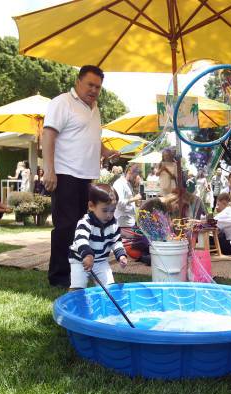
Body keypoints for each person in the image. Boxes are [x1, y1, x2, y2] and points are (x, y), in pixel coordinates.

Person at [42, 65, 119, 288]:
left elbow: (92, 138)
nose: (94, 90)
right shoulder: (62, 102)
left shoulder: (95, 109)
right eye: (90, 85)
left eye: (98, 87)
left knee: (83, 227)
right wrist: (49, 169)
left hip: (88, 177)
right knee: (65, 226)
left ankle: (80, 272)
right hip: (65, 173)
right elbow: (48, 135)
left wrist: (106, 152)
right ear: (78, 82)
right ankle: (59, 277)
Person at [68, 184, 128, 290]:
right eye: (105, 210)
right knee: (78, 288)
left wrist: (121, 255)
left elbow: (116, 241)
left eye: (113, 210)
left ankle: (106, 304)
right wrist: (87, 255)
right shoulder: (85, 223)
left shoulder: (113, 224)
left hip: (101, 262)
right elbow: (81, 240)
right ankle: (76, 302)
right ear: (91, 206)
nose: (109, 215)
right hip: (80, 261)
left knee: (109, 289)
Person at [112, 165, 142, 229]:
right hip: (122, 224)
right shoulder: (119, 183)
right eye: (135, 176)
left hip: (129, 223)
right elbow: (118, 203)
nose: (135, 178)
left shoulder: (128, 183)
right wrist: (134, 198)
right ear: (129, 172)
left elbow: (130, 202)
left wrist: (136, 201)